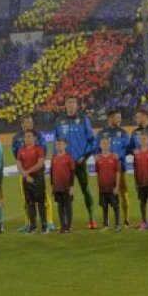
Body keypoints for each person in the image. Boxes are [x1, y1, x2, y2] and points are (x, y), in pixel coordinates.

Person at [54, 96, 98, 228]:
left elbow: (92, 141)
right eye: (69, 102)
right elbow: (57, 142)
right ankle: (67, 223)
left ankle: (92, 219)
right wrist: (56, 159)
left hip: (80, 162)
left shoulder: (84, 120)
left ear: (77, 105)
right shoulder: (59, 121)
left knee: (85, 189)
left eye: (73, 102)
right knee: (65, 192)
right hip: (65, 164)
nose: (71, 104)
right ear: (65, 105)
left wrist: (84, 157)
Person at [12, 114, 54, 233]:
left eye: (30, 122)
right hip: (24, 173)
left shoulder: (39, 136)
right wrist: (24, 172)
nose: (28, 124)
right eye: (25, 122)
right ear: (22, 124)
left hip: (37, 174)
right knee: (27, 200)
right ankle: (29, 223)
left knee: (43, 199)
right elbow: (16, 153)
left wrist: (28, 171)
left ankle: (49, 222)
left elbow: (43, 153)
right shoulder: (16, 137)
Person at [96, 109, 131, 226]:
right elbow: (95, 147)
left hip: (120, 168)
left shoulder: (123, 132)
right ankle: (106, 221)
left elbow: (128, 148)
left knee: (122, 192)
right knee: (105, 193)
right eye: (117, 117)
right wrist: (96, 155)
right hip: (105, 170)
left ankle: (125, 219)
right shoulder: (101, 133)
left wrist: (119, 155)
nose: (119, 120)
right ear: (110, 118)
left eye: (120, 117)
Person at [16, 131, 49, 235]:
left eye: (29, 136)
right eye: (25, 137)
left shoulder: (39, 149)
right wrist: (25, 175)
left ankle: (44, 226)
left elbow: (40, 164)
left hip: (37, 178)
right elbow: (19, 164)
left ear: (34, 138)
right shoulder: (21, 151)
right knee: (29, 203)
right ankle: (33, 226)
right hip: (26, 179)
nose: (27, 138)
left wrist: (27, 172)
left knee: (40, 202)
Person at [95, 136, 122, 231]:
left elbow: (118, 172)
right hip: (102, 187)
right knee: (104, 206)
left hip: (112, 187)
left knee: (115, 206)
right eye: (103, 143)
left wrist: (117, 186)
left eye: (106, 143)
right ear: (100, 145)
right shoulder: (98, 159)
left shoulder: (114, 157)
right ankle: (106, 224)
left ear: (109, 145)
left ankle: (117, 224)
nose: (105, 145)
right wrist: (98, 186)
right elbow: (97, 173)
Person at [50, 137, 76, 233]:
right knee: (60, 206)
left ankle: (68, 226)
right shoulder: (54, 158)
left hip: (67, 186)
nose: (59, 146)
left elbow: (72, 173)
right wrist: (52, 186)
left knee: (68, 206)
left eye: (61, 144)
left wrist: (72, 186)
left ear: (65, 145)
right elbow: (51, 173)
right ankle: (62, 226)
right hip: (57, 187)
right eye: (57, 144)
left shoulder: (69, 157)